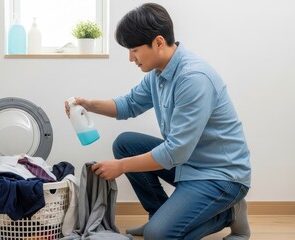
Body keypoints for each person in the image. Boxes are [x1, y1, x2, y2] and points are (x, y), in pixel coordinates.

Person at [64, 3, 251, 240]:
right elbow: (128, 105)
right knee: (125, 143)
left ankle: (229, 214)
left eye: (134, 50)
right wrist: (88, 104)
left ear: (159, 42)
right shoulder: (158, 73)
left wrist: (121, 167)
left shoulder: (193, 79)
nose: (131, 58)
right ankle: (159, 214)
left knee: (159, 236)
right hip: (190, 163)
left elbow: (177, 151)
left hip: (219, 175)